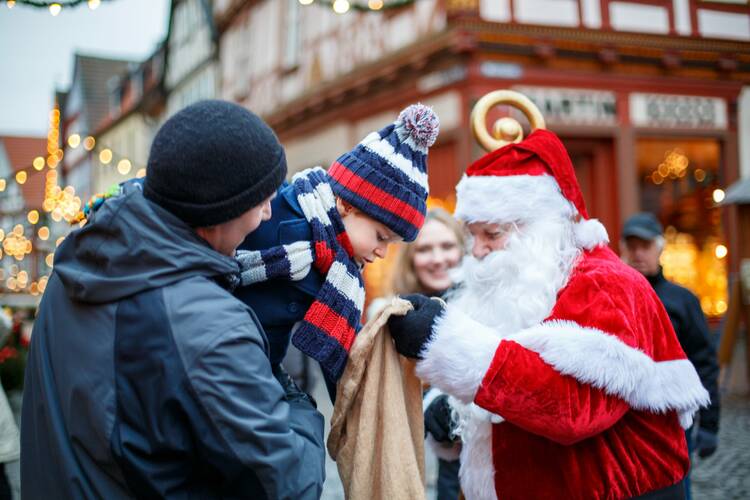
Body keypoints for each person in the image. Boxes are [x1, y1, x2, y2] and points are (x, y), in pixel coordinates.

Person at [21, 100, 326, 499]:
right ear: (220, 212)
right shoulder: (209, 326)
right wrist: (294, 399)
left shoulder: (75, 265)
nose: (269, 215)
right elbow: (289, 485)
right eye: (262, 201)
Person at [387, 129, 710, 499]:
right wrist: (447, 407)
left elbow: (574, 406)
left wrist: (443, 342)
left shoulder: (604, 283)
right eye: (472, 236)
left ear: (539, 226)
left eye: (491, 234)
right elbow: (503, 379)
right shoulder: (533, 281)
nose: (476, 251)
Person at [234, 104, 439, 394]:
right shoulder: (273, 210)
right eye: (381, 237)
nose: (382, 252)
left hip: (260, 376)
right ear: (346, 204)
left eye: (391, 244)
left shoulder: (342, 271)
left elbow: (343, 361)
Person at [621, 212, 721, 500]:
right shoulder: (614, 295)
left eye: (645, 246)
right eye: (633, 245)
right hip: (625, 424)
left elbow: (704, 362)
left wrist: (710, 423)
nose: (639, 253)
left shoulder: (682, 300)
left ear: (659, 248)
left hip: (674, 423)